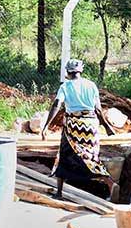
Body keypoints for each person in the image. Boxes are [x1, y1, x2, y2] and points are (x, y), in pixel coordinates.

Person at [42, 59, 119, 202]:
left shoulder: (65, 86)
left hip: (73, 126)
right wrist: (106, 126)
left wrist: (46, 125)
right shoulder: (91, 85)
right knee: (90, 157)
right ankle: (110, 184)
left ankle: (59, 192)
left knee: (64, 155)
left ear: (67, 72)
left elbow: (57, 104)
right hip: (91, 126)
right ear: (81, 70)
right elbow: (97, 109)